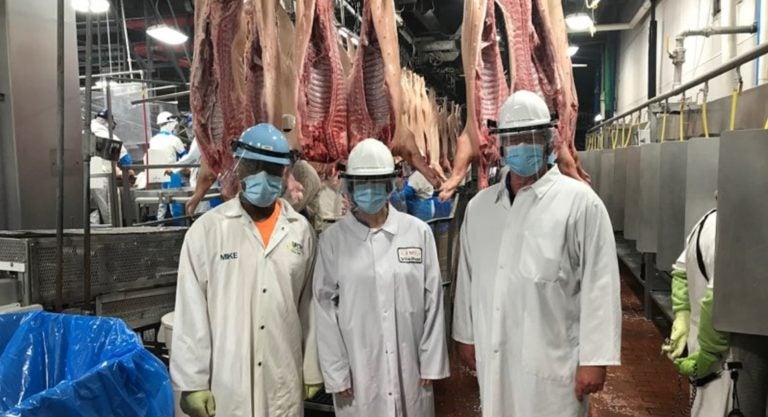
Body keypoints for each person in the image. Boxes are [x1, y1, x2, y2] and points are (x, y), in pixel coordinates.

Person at [452, 90, 622, 417]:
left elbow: (600, 284)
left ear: (548, 140)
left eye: (530, 137)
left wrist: (595, 359)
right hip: (496, 353)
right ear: (499, 145)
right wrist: (466, 334)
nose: (520, 146)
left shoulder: (581, 204)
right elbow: (468, 279)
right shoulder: (480, 208)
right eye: (512, 138)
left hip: (553, 365)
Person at [170, 123, 323, 417]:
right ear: (238, 168)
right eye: (254, 166)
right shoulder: (208, 231)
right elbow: (191, 310)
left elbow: (309, 306)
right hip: (225, 381)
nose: (263, 176)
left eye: (272, 169)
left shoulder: (299, 231)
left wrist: (311, 366)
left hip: (283, 373)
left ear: (284, 173)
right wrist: (192, 382)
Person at [313, 138, 449, 417]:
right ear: (349, 187)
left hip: (411, 365)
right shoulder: (333, 241)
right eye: (362, 183)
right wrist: (336, 371)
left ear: (390, 184)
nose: (370, 191)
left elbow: (433, 297)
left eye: (377, 182)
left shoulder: (417, 232)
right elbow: (323, 308)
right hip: (358, 371)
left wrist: (431, 359)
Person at [662, 208, 736, 415]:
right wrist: (709, 354)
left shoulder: (706, 219)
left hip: (701, 343)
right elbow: (717, 298)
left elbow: (680, 273)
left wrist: (682, 316)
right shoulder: (734, 230)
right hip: (727, 356)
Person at [90, 109, 133, 224]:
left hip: (88, 175)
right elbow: (125, 159)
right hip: (102, 177)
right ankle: (114, 233)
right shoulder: (107, 135)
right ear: (108, 122)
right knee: (111, 209)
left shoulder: (86, 131)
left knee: (94, 209)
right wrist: (130, 173)